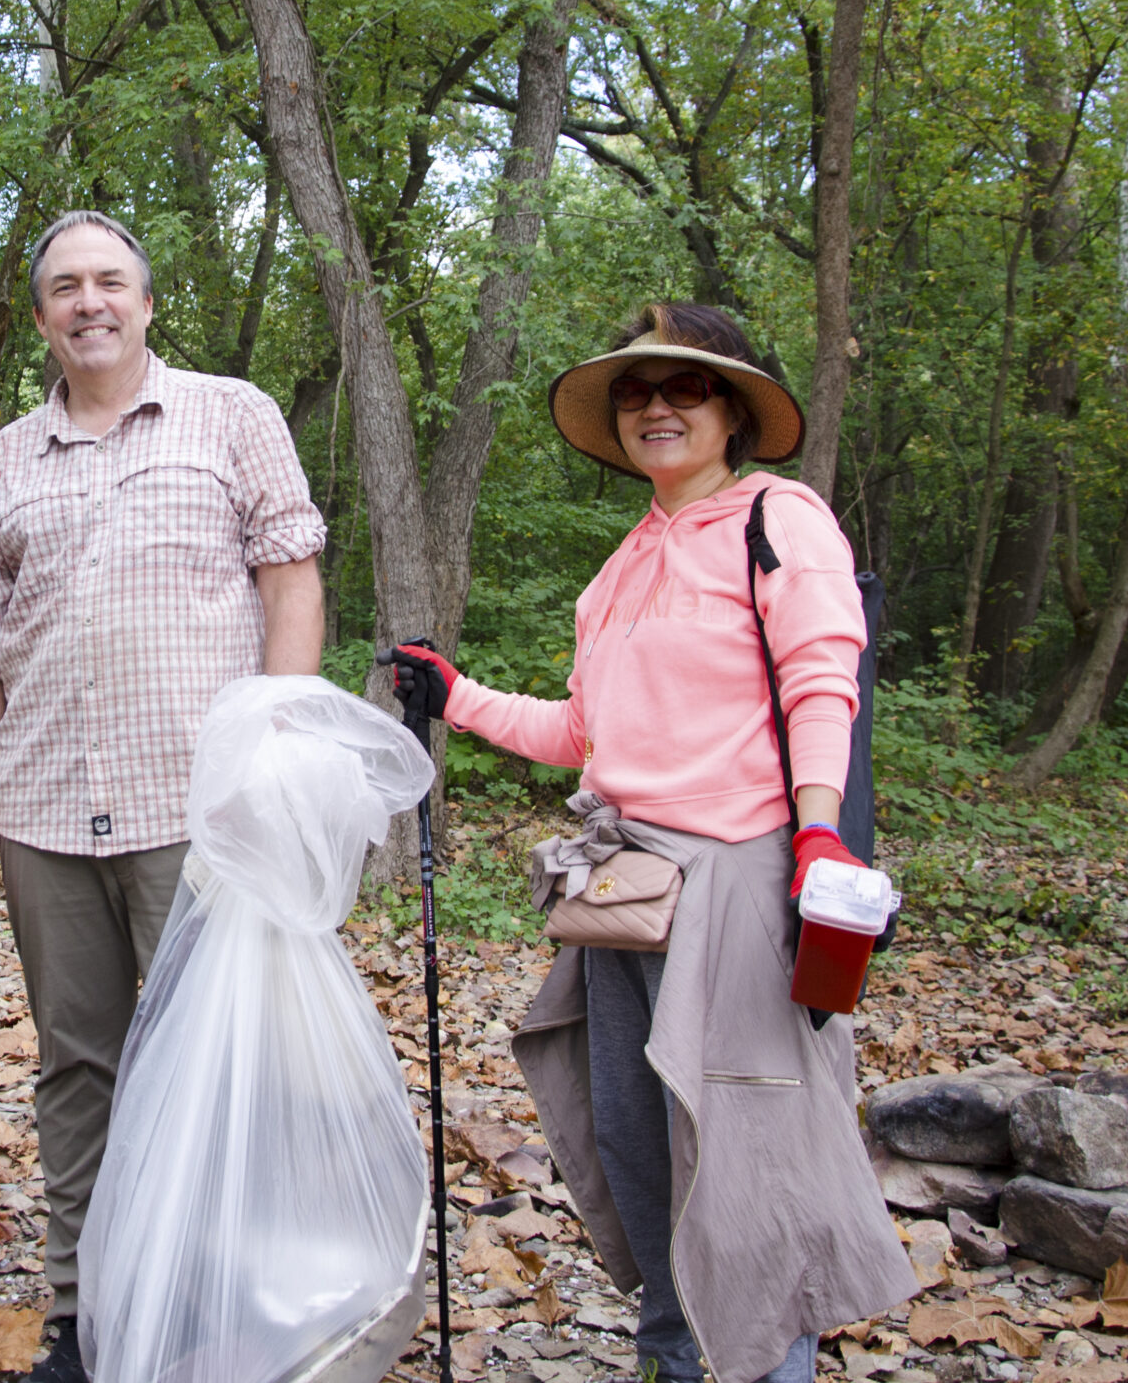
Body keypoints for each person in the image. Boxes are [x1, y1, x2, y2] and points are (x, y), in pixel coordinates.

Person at [388, 302, 916, 1383]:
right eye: (635, 391)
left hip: (740, 878)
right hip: (623, 887)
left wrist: (818, 835)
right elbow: (585, 732)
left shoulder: (781, 517)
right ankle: (674, 1364)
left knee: (745, 1167)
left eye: (685, 386)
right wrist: (456, 695)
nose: (655, 407)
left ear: (732, 409)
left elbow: (822, 682)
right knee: (642, 1154)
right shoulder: (627, 559)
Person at [0, 210, 327, 1383]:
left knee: (223, 1065)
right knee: (77, 1066)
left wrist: (274, 747)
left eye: (110, 281)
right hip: (45, 814)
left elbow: (291, 581)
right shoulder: (6, 457)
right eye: (64, 287)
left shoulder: (233, 416)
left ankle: (222, 1317)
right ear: (43, 317)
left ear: (148, 303)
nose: (88, 301)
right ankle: (85, 1315)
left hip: (198, 813)